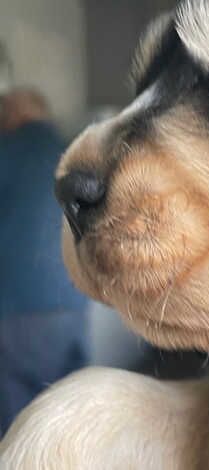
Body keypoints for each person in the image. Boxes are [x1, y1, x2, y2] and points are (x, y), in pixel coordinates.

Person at [0, 89, 88, 435]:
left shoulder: (9, 152)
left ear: (12, 115)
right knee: (67, 412)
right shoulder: (71, 151)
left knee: (17, 423)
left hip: (21, 309)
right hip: (74, 303)